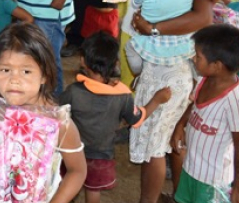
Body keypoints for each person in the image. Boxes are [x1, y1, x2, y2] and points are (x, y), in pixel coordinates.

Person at [127, 0, 219, 203]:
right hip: (180, 76)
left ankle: (149, 201)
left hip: (157, 77)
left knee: (154, 149)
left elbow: (137, 5)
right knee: (157, 143)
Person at [0, 23, 86, 202]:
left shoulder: (57, 123)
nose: (14, 80)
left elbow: (78, 171)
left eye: (26, 71)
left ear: (44, 75)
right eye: (5, 70)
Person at [60, 32, 171, 203]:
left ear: (82, 60)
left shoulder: (73, 92)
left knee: (69, 185)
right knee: (93, 190)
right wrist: (157, 100)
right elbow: (137, 119)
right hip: (101, 156)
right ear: (116, 64)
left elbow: (57, 113)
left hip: (73, 152)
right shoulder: (123, 96)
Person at [171, 25, 239, 203]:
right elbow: (195, 105)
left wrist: (237, 190)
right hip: (190, 169)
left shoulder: (237, 102)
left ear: (216, 66)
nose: (193, 59)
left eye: (198, 56)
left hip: (212, 182)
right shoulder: (203, 79)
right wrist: (180, 125)